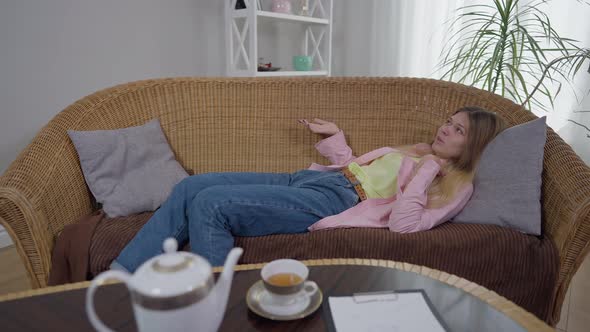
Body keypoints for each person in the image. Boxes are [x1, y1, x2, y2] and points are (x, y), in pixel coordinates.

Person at [111, 106, 506, 271]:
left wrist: (428, 170)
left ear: (472, 145)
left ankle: (209, 305)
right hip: (315, 179)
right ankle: (118, 277)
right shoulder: (418, 149)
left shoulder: (455, 185)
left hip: (333, 200)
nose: (445, 129)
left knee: (212, 203)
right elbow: (354, 169)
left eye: (458, 130)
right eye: (448, 121)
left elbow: (404, 224)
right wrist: (336, 139)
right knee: (193, 185)